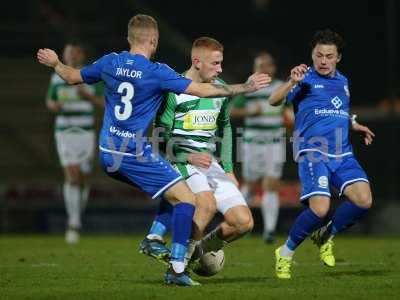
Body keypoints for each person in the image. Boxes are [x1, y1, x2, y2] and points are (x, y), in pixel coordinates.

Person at [37, 14, 270, 286]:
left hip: (106, 151)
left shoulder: (110, 61)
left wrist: (55, 62)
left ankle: (155, 239)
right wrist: (245, 86)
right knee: (187, 200)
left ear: (129, 39)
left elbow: (71, 76)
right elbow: (204, 91)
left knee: (174, 188)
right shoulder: (158, 72)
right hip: (132, 152)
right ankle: (177, 268)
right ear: (154, 40)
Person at [268, 29, 375, 279]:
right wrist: (292, 82)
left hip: (342, 152)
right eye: (319, 55)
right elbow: (273, 100)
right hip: (313, 151)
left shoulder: (343, 81)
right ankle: (284, 253)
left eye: (329, 56)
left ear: (338, 58)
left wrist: (354, 124)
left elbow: (336, 112)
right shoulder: (303, 78)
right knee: (319, 209)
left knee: (363, 200)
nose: (323, 60)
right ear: (312, 55)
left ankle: (327, 234)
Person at [139, 37, 255, 267]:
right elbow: (160, 136)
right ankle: (178, 265)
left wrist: (229, 168)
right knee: (207, 204)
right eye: (215, 63)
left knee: (243, 223)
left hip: (209, 162)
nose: (220, 69)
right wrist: (187, 156)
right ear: (197, 62)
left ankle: (197, 251)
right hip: (182, 159)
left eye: (221, 63)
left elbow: (226, 127)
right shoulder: (174, 89)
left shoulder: (219, 88)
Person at [231, 52, 294, 244]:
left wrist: (290, 120)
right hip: (251, 143)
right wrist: (251, 111)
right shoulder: (250, 88)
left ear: (273, 68)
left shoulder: (281, 88)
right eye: (260, 66)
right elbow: (232, 110)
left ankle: (269, 231)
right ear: (254, 69)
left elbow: (290, 113)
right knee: (249, 184)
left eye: (267, 65)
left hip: (274, 142)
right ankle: (236, 222)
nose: (264, 69)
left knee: (271, 183)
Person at [45, 42, 103, 245]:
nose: (69, 55)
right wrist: (55, 105)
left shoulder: (91, 76)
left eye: (73, 52)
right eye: (67, 52)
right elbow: (50, 101)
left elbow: (103, 103)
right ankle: (74, 222)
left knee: (84, 178)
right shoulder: (56, 76)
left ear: (81, 55)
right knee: (71, 174)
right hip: (64, 132)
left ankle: (76, 217)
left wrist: (88, 96)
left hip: (85, 132)